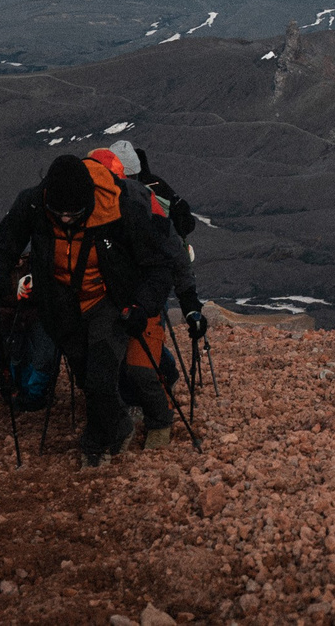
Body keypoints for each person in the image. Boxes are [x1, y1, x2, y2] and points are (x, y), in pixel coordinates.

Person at [0, 153, 176, 465]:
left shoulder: (121, 207)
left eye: (74, 213)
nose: (66, 219)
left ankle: (94, 447)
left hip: (108, 301)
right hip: (61, 307)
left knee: (100, 378)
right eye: (60, 214)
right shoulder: (33, 204)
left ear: (90, 201)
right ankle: (120, 425)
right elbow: (3, 245)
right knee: (86, 379)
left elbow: (159, 266)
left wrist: (140, 305)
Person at [94, 141, 200, 449]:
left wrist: (190, 303)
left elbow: (172, 258)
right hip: (122, 295)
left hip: (145, 293)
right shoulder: (115, 206)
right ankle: (140, 400)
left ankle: (156, 409)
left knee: (138, 365)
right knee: (115, 361)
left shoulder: (146, 208)